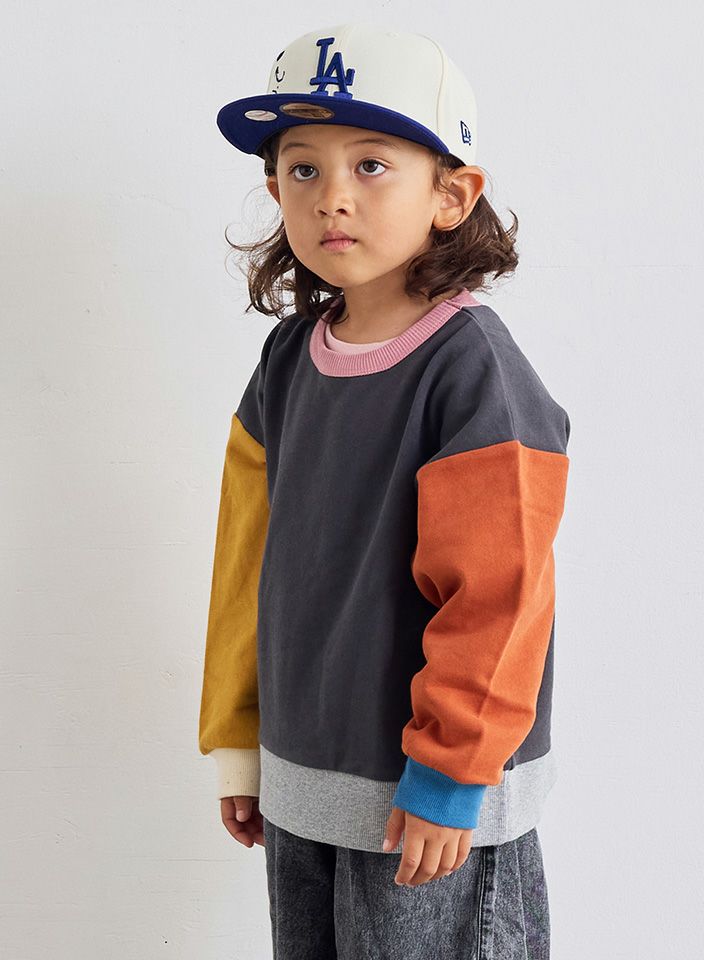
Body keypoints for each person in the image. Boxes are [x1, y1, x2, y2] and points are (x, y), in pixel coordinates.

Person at [198, 21, 571, 959]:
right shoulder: (288, 359)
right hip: (303, 780)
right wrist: (241, 738)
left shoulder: (470, 368)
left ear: (452, 194)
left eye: (371, 165)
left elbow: (500, 594)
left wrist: (452, 772)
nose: (333, 196)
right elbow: (247, 560)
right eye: (302, 169)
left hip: (430, 803)